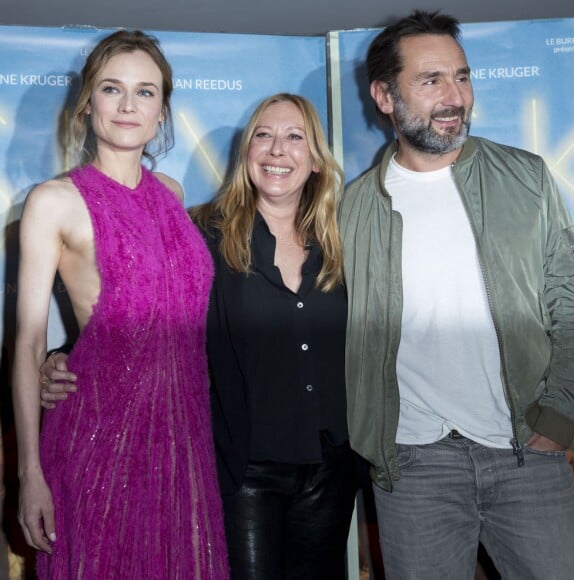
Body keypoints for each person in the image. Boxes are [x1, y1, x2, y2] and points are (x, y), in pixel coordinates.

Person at [40, 93, 357, 579]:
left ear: (315, 161)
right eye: (263, 136)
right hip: (245, 468)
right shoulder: (202, 233)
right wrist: (66, 354)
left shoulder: (343, 239)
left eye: (295, 138)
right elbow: (145, 313)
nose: (277, 150)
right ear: (245, 152)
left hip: (330, 468)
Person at [338, 10, 574, 580]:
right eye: (431, 80)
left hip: (528, 450)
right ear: (384, 95)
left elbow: (570, 302)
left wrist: (562, 418)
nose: (455, 96)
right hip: (414, 465)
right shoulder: (353, 208)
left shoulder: (525, 177)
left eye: (462, 76)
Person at [12, 30, 228, 578]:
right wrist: (28, 473)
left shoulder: (173, 195)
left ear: (163, 111)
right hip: (98, 440)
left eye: (146, 92)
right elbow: (28, 341)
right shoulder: (53, 201)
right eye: (112, 89)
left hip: (184, 441)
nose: (129, 105)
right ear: (89, 105)